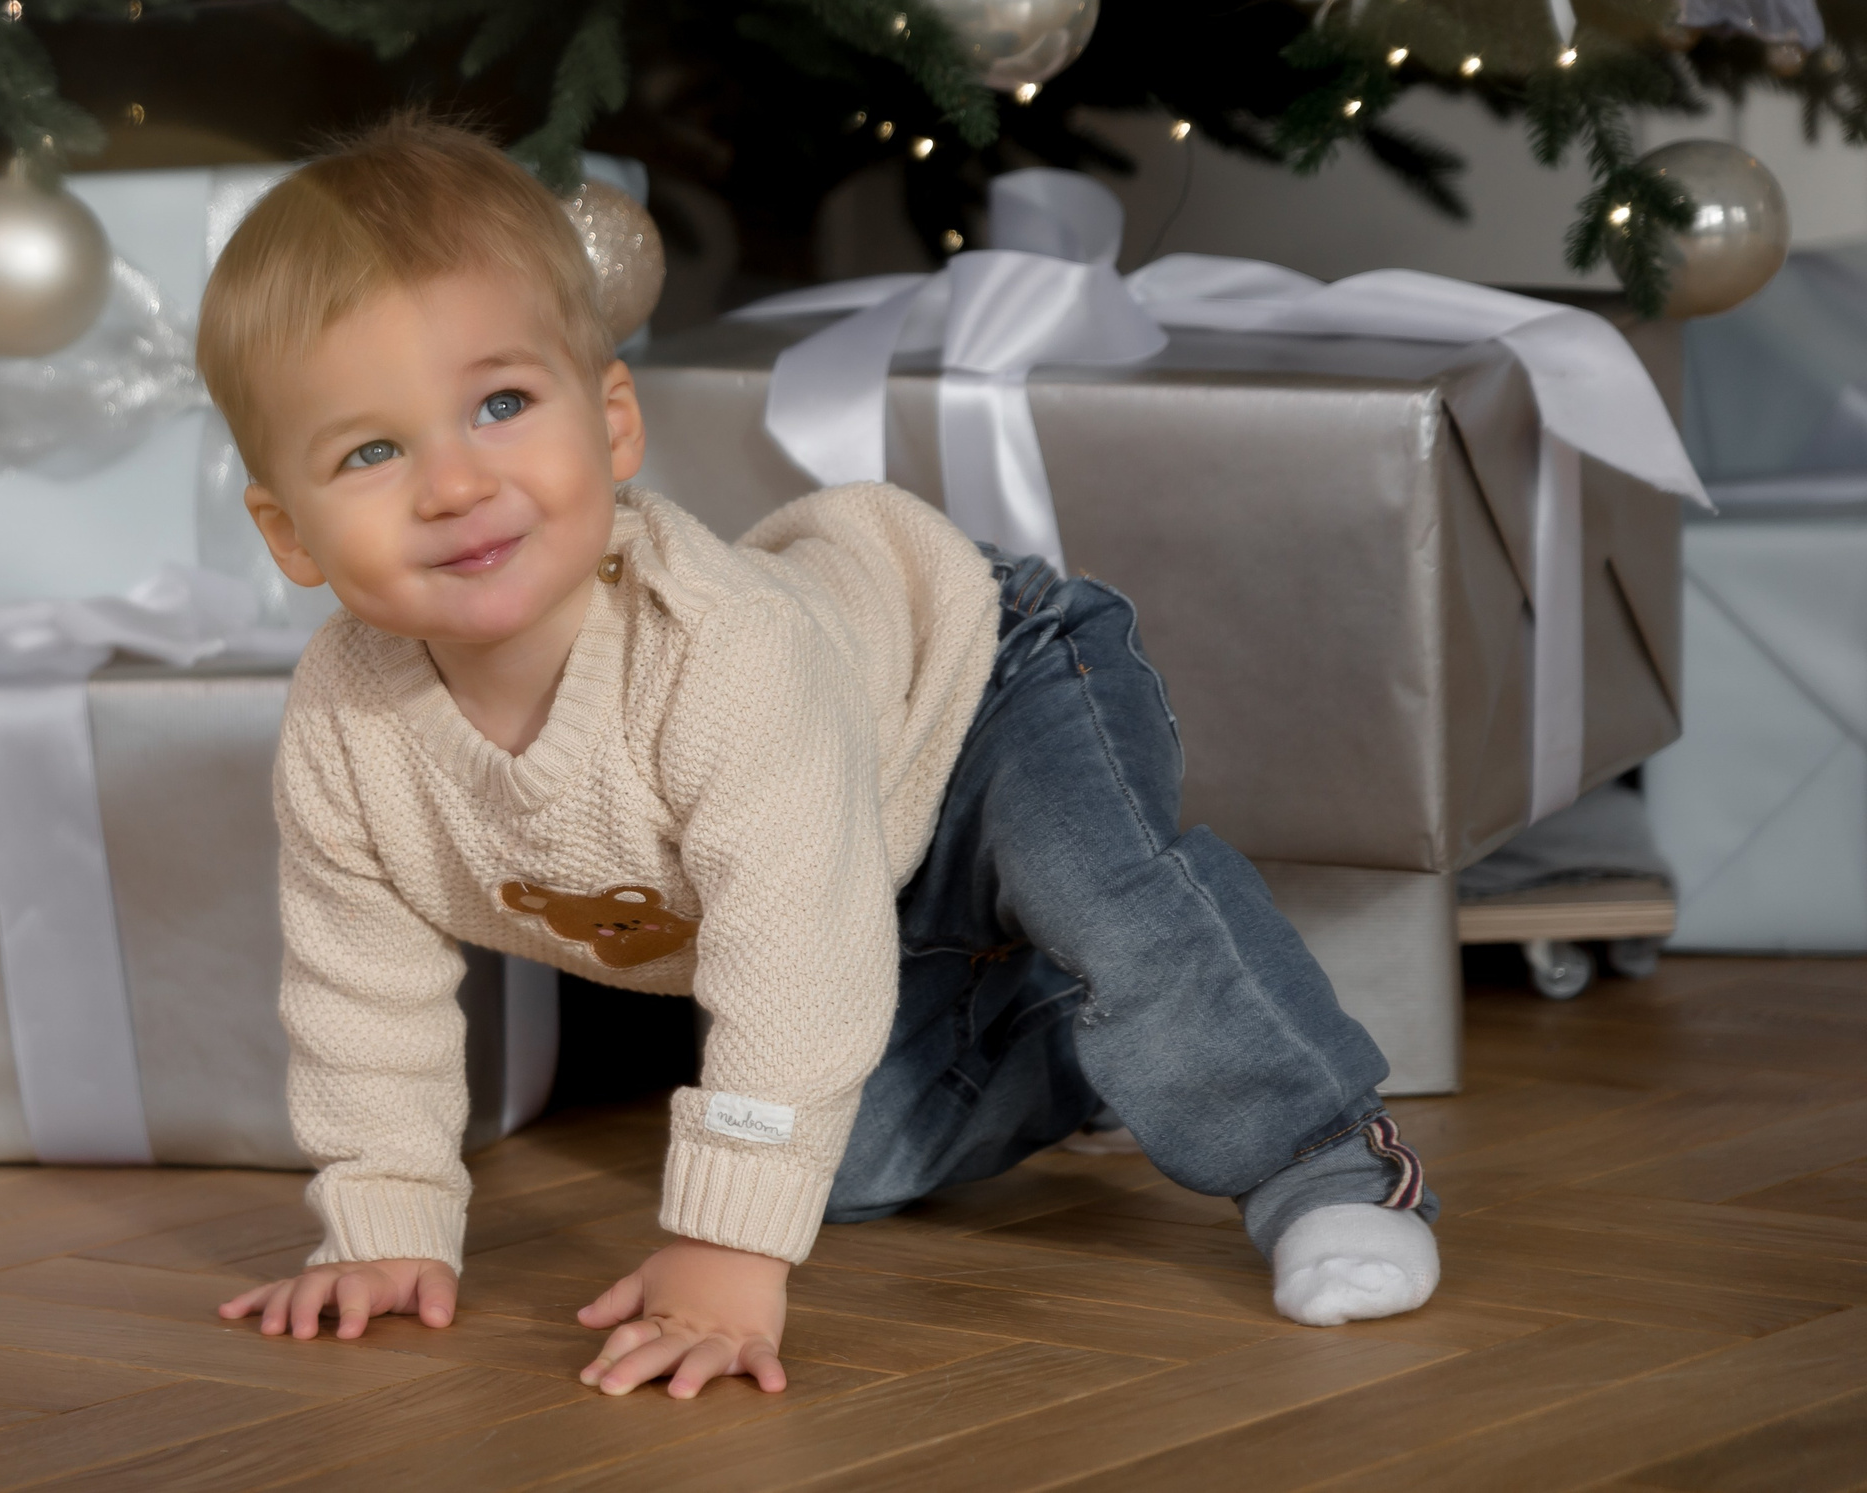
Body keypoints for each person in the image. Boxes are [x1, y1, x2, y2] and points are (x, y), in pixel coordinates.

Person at [206, 113, 1439, 1400]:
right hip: (853, 869)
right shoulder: (345, 728)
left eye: (501, 404)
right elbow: (360, 990)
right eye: (372, 450)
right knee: (843, 1164)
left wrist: (728, 1247)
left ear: (611, 422)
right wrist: (385, 1218)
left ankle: (1326, 1169)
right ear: (289, 533)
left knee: (1087, 884)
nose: (454, 483)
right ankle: (1095, 1039)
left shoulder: (718, 653)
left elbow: (789, 953)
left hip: (979, 682)